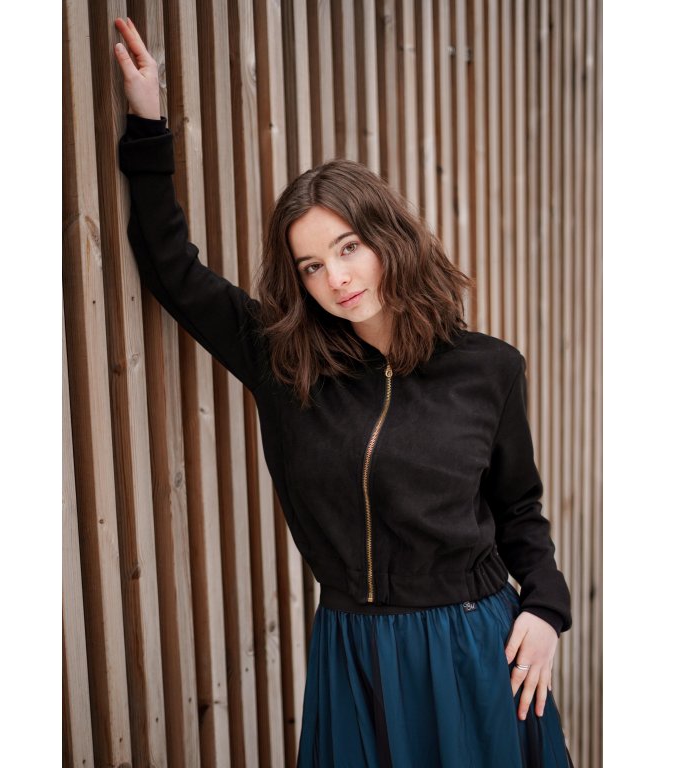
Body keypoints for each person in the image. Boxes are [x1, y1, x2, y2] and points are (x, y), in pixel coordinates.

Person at [112, 16, 574, 768]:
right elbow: (173, 271)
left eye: (348, 247)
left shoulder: (488, 369)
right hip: (354, 652)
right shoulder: (285, 361)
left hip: (472, 645)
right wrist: (147, 123)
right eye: (312, 266)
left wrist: (547, 611)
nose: (337, 278)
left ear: (387, 239)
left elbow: (519, 508)